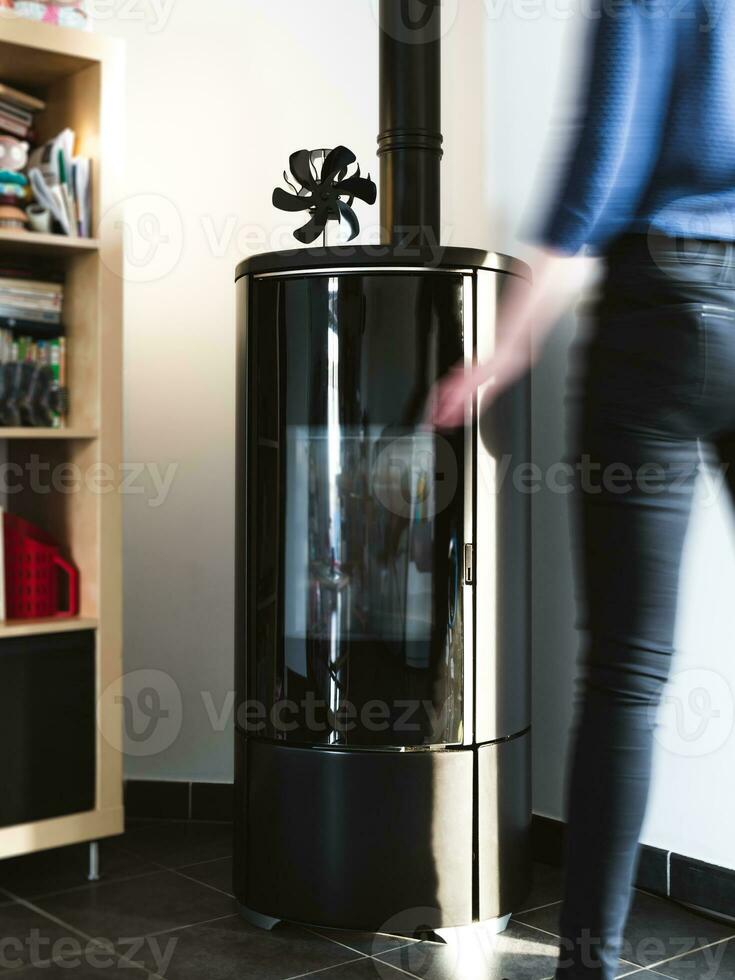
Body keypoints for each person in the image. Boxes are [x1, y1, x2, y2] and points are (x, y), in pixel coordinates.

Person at [426, 1, 735, 977]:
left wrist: (505, 345)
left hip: (656, 319)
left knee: (624, 679)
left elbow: (601, 169)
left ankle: (587, 964)